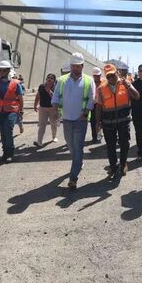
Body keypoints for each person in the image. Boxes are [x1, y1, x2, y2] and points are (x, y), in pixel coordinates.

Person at [51, 53, 95, 190]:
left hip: (80, 120)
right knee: (71, 145)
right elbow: (56, 97)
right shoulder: (62, 80)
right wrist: (55, 112)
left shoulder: (88, 80)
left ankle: (73, 178)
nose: (75, 68)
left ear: (82, 66)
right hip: (67, 119)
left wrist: (86, 113)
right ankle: (78, 161)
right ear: (71, 66)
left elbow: (92, 98)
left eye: (78, 66)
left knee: (78, 147)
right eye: (73, 66)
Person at [95, 64, 139, 179]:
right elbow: (99, 106)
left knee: (125, 144)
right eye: (108, 76)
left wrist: (129, 86)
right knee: (111, 146)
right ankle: (113, 167)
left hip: (123, 121)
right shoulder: (101, 88)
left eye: (112, 75)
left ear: (117, 73)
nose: (110, 78)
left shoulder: (126, 84)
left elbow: (137, 96)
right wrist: (97, 122)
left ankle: (123, 163)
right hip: (108, 123)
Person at [0, 60, 24, 163]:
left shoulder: (16, 83)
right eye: (0, 70)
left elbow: (20, 99)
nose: (2, 72)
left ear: (8, 71)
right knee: (3, 133)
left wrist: (21, 111)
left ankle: (10, 153)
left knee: (8, 131)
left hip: (11, 111)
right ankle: (5, 153)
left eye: (4, 70)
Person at [33, 73, 59, 147]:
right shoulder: (41, 86)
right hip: (43, 108)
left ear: (54, 81)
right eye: (48, 77)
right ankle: (39, 141)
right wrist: (35, 105)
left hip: (53, 108)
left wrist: (49, 91)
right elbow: (38, 96)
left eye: (51, 78)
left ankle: (54, 137)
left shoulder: (56, 87)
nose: (49, 79)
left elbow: (56, 99)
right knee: (42, 125)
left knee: (53, 124)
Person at [90, 67, 103, 144]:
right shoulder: (91, 83)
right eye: (95, 75)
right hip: (94, 104)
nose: (96, 77)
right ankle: (94, 137)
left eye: (98, 75)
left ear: (100, 75)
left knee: (102, 121)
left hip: (102, 105)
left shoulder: (104, 83)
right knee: (93, 121)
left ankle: (100, 134)